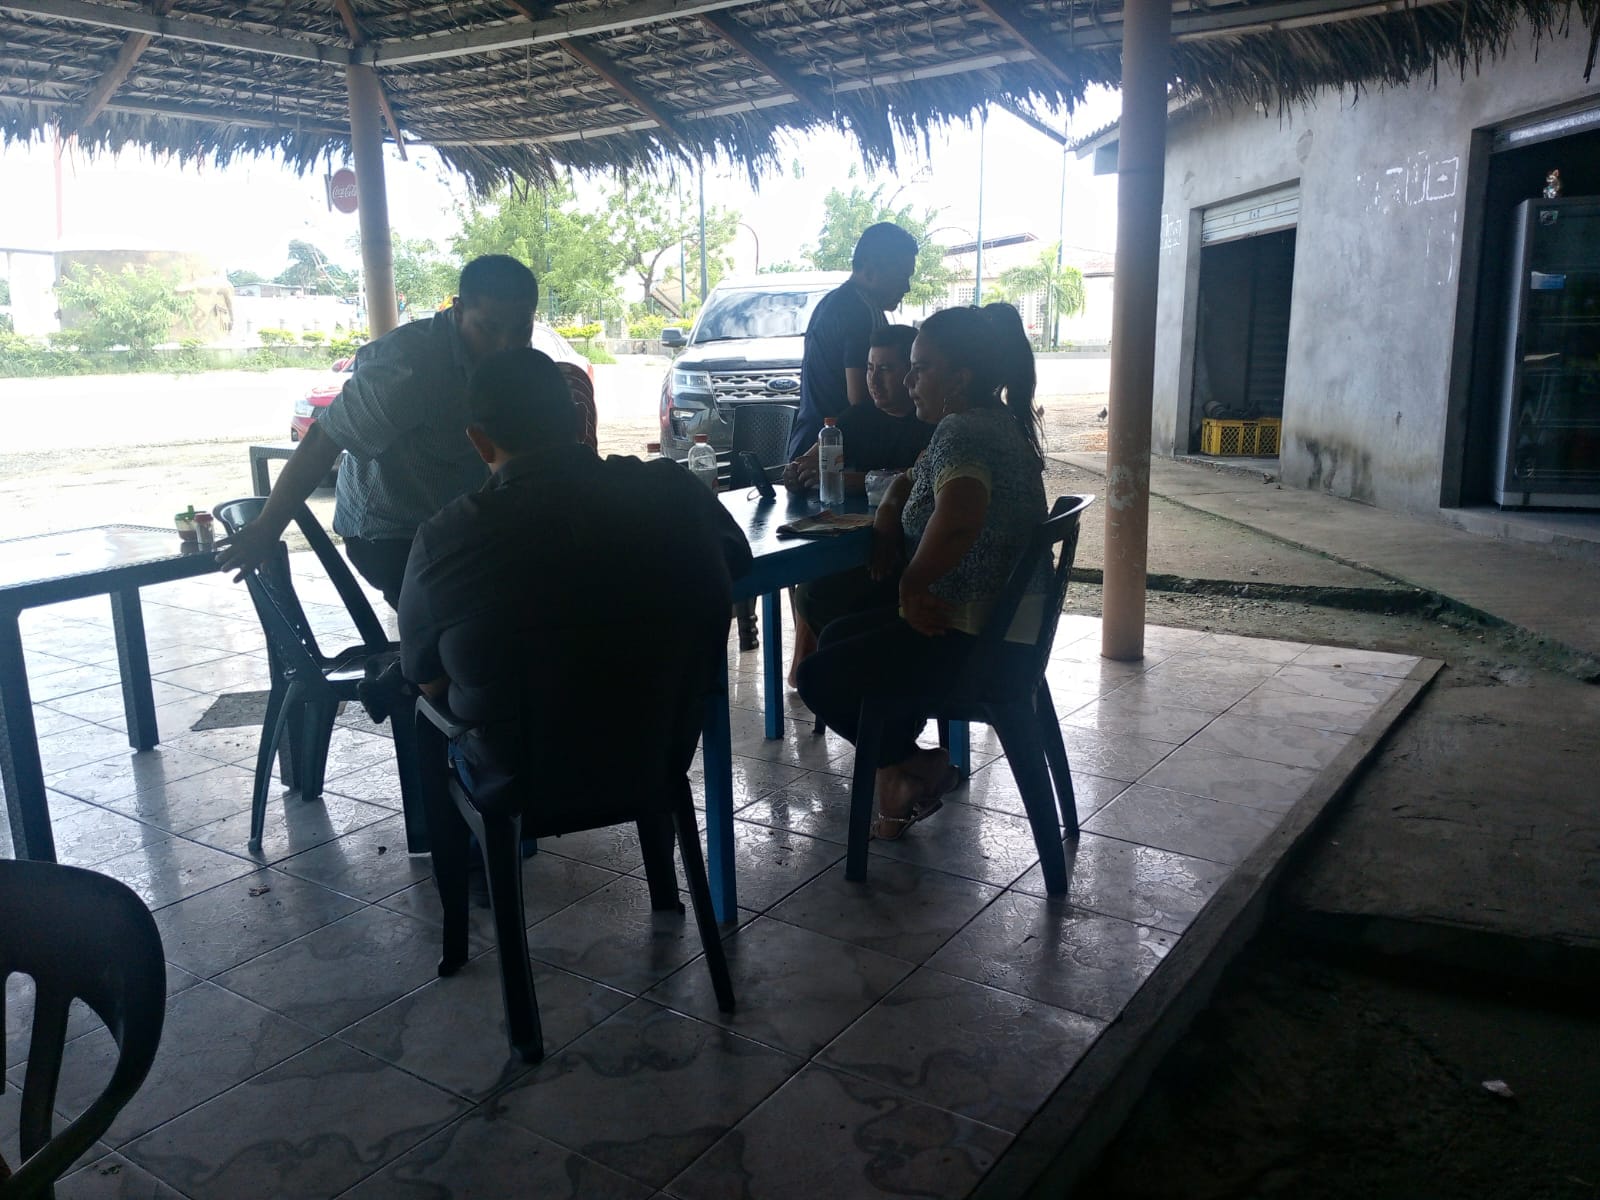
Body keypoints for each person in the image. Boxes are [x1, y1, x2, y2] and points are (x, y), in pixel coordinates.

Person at [399, 347, 752, 797]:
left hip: (521, 780)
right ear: (580, 418)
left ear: (479, 441)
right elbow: (736, 562)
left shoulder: (447, 538)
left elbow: (427, 678)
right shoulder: (674, 491)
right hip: (654, 756)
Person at [797, 303, 1048, 840]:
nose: (909, 381)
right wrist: (890, 514)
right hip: (998, 633)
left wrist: (911, 585)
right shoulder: (986, 422)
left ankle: (911, 769)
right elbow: (907, 482)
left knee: (819, 675)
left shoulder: (964, 432)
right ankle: (903, 770)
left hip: (978, 644)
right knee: (837, 632)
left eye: (920, 368)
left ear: (960, 378)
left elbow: (959, 519)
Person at [217, 255, 541, 607]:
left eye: (521, 329)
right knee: (486, 617)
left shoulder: (514, 359)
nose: (506, 345)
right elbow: (323, 440)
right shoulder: (407, 367)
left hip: (457, 524)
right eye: (490, 329)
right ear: (459, 310)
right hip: (390, 536)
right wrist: (266, 529)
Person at [782, 324, 933, 682]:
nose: (874, 380)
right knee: (810, 581)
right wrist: (797, 471)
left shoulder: (929, 422)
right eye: (869, 368)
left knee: (816, 594)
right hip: (850, 536)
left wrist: (848, 480)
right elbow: (812, 459)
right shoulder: (856, 417)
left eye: (886, 369)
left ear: (910, 372)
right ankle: (831, 673)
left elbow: (915, 480)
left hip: (905, 553)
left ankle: (854, 678)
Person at [785, 222, 920, 461]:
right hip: (838, 452)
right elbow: (861, 399)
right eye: (902, 276)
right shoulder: (862, 311)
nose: (907, 287)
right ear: (870, 270)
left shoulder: (832, 302)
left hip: (809, 440)